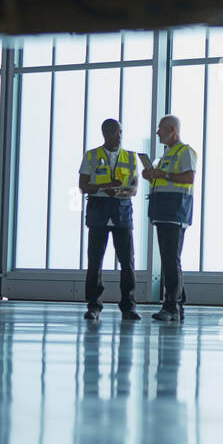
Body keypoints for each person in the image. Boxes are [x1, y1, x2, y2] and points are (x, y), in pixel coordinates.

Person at [79, 119, 140, 322]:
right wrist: (105, 186)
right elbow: (83, 185)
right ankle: (93, 306)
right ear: (105, 133)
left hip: (122, 212)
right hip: (99, 212)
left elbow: (134, 188)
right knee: (95, 261)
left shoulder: (130, 157)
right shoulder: (92, 156)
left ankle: (128, 306)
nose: (119, 136)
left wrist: (121, 192)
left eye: (121, 132)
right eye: (115, 133)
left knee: (127, 262)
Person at [143, 115, 197, 323]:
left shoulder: (184, 152)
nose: (157, 132)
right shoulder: (166, 156)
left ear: (172, 129)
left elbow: (189, 177)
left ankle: (172, 305)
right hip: (163, 212)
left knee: (171, 260)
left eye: (161, 129)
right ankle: (177, 303)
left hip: (175, 211)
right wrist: (152, 174)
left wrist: (161, 175)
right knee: (168, 260)